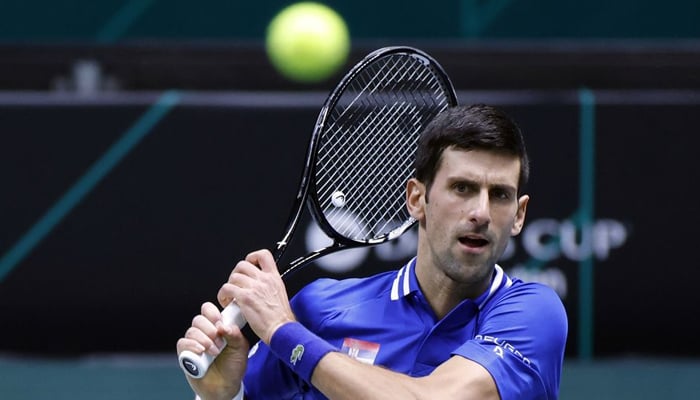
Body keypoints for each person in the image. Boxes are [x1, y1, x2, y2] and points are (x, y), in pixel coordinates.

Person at [176, 104, 568, 400]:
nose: (481, 213)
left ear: (518, 216)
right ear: (417, 199)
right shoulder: (322, 309)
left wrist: (282, 331)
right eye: (462, 188)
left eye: (499, 195)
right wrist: (221, 396)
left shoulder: (532, 315)